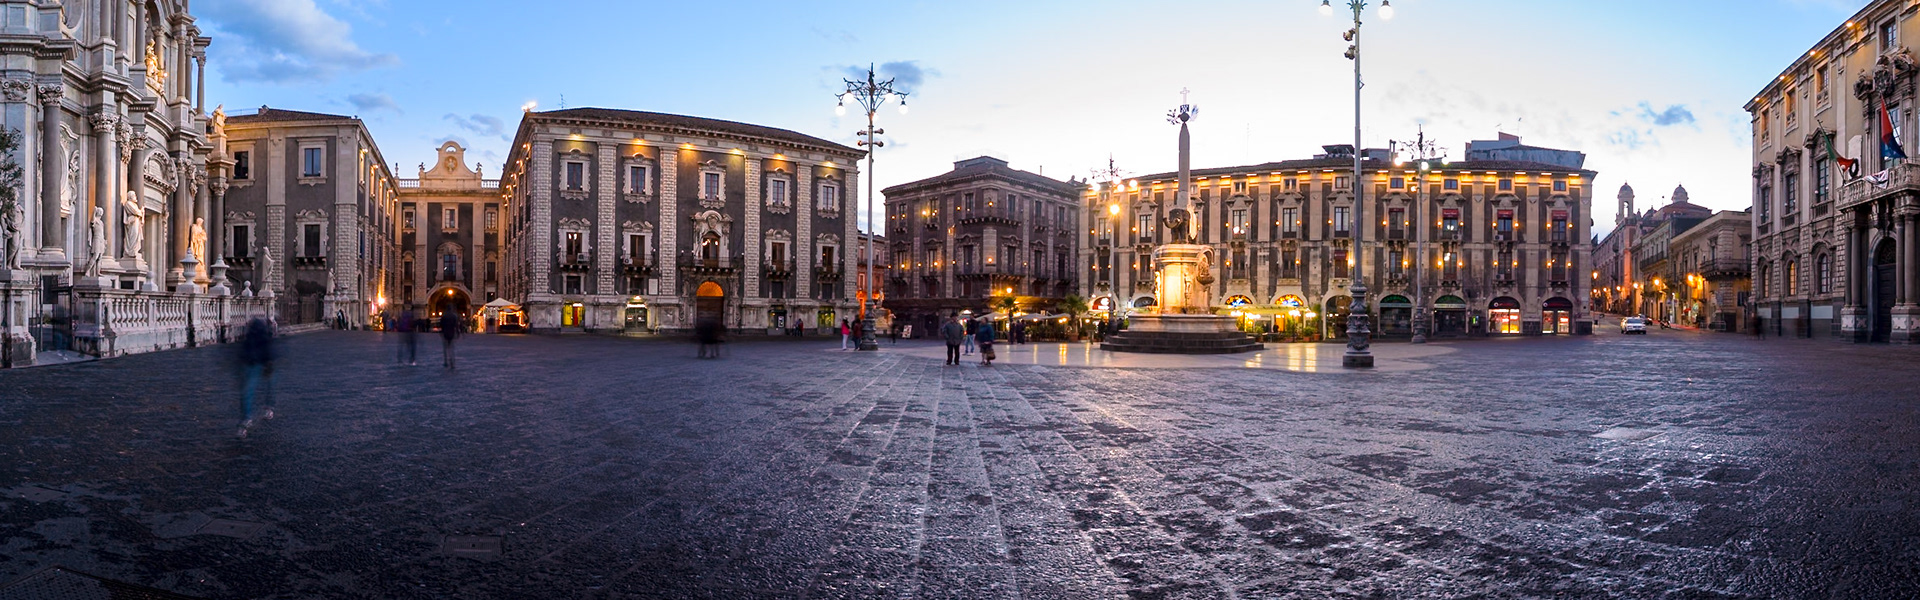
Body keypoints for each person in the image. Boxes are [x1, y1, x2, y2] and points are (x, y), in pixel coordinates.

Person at [235, 317, 276, 438]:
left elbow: (242, 351)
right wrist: (269, 363)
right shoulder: (265, 336)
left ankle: (246, 418)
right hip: (260, 363)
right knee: (270, 385)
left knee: (248, 392)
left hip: (250, 364)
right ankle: (269, 408)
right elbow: (268, 350)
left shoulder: (249, 337)